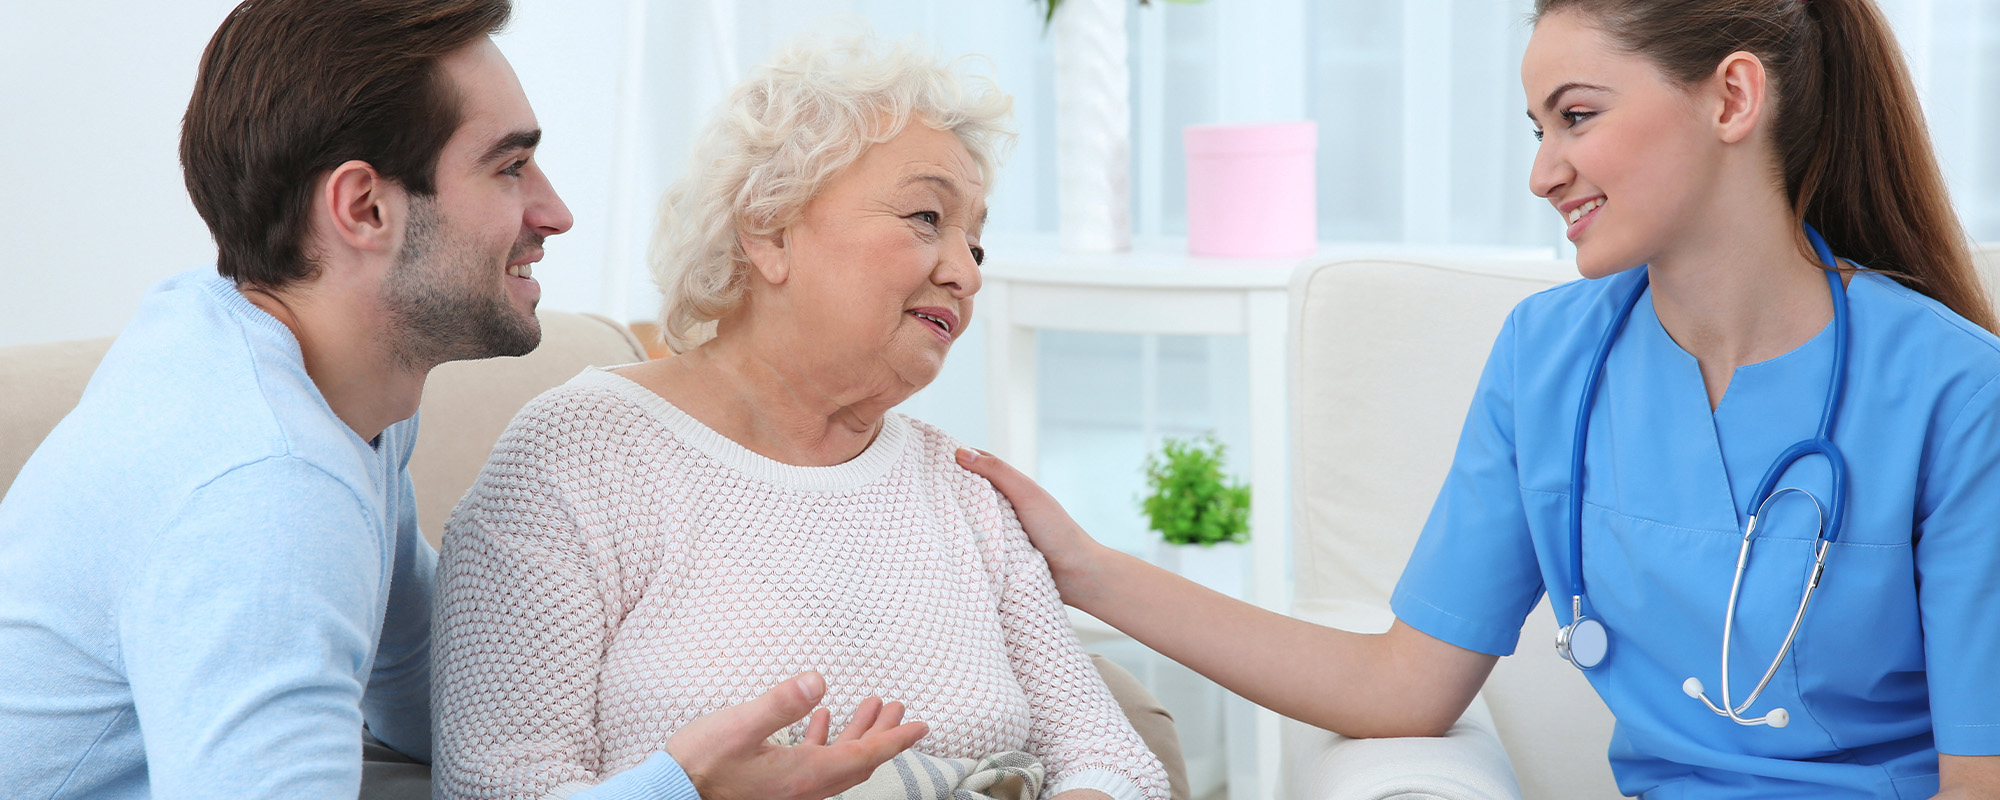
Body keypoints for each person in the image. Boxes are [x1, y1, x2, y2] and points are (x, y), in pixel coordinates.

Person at [958, 0, 2000, 797]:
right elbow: (1398, 686)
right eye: (1535, 126)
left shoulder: (1954, 392)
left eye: (1576, 117)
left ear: (1730, 98)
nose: (1543, 171)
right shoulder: (1546, 359)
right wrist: (1086, 570)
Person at [0, 2, 919, 799]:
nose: (555, 212)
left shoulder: (302, 376)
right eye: (509, 167)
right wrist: (678, 785)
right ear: (363, 208)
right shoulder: (263, 494)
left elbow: (417, 679)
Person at [431, 34, 1171, 800]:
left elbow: (1114, 759)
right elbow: (498, 783)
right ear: (770, 228)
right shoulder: (579, 454)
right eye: (926, 217)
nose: (964, 273)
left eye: (976, 245)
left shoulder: (962, 490)